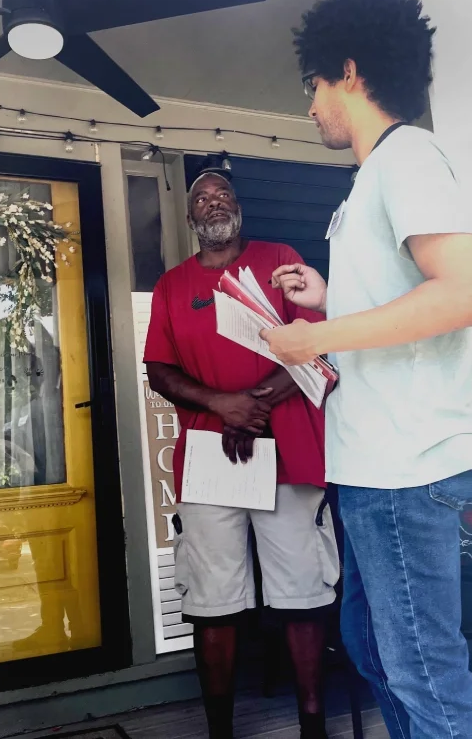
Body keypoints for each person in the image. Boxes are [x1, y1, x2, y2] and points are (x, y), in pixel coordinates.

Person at [262, 0, 472, 738]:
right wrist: (329, 302)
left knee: (422, 671)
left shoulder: (411, 156)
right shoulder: (373, 180)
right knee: (373, 650)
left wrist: (317, 339)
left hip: (407, 464)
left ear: (349, 72)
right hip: (371, 467)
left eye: (313, 86)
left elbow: (462, 294)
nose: (310, 108)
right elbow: (404, 300)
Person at [143, 167, 338, 739]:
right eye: (201, 197)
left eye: (222, 194)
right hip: (212, 457)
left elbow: (316, 338)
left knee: (302, 593)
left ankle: (312, 726)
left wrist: (249, 405)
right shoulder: (172, 286)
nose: (212, 203)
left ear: (238, 208)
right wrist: (221, 405)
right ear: (190, 217)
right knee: (213, 601)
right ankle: (221, 732)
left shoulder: (278, 257)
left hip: (288, 448)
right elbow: (159, 370)